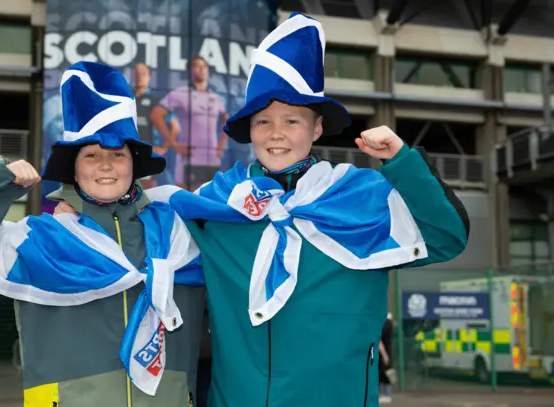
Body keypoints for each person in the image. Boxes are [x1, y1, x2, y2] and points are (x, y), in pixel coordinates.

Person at [57, 13, 470, 407]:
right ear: (249, 129)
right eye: (263, 121)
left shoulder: (363, 196)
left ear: (318, 127)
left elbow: (446, 237)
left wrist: (403, 161)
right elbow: (137, 226)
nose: (276, 134)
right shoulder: (214, 202)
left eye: (292, 120)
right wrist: (73, 204)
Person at [0, 62, 205, 407]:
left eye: (117, 154)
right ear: (74, 170)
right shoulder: (43, 240)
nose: (106, 164)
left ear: (133, 166)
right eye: (92, 155)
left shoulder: (179, 236)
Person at [150, 56, 229, 191]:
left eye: (204, 66)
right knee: (185, 202)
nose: (201, 69)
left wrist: (222, 142)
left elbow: (226, 119)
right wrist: (173, 143)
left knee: (211, 202)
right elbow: (156, 115)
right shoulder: (180, 94)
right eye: (197, 66)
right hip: (189, 159)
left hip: (212, 159)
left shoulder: (216, 98)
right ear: (189, 71)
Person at [130, 63, 181, 189]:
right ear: (132, 76)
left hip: (145, 155)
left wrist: (163, 147)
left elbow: (175, 127)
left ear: (149, 77)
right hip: (126, 153)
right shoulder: (125, 99)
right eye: (137, 74)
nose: (139, 77)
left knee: (145, 192)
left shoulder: (155, 101)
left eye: (143, 74)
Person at [379, 313, 395, 404]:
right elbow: (378, 340)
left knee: (384, 374)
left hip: (383, 355)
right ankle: (386, 395)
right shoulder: (386, 325)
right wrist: (384, 355)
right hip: (381, 356)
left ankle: (386, 395)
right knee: (384, 374)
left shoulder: (385, 325)